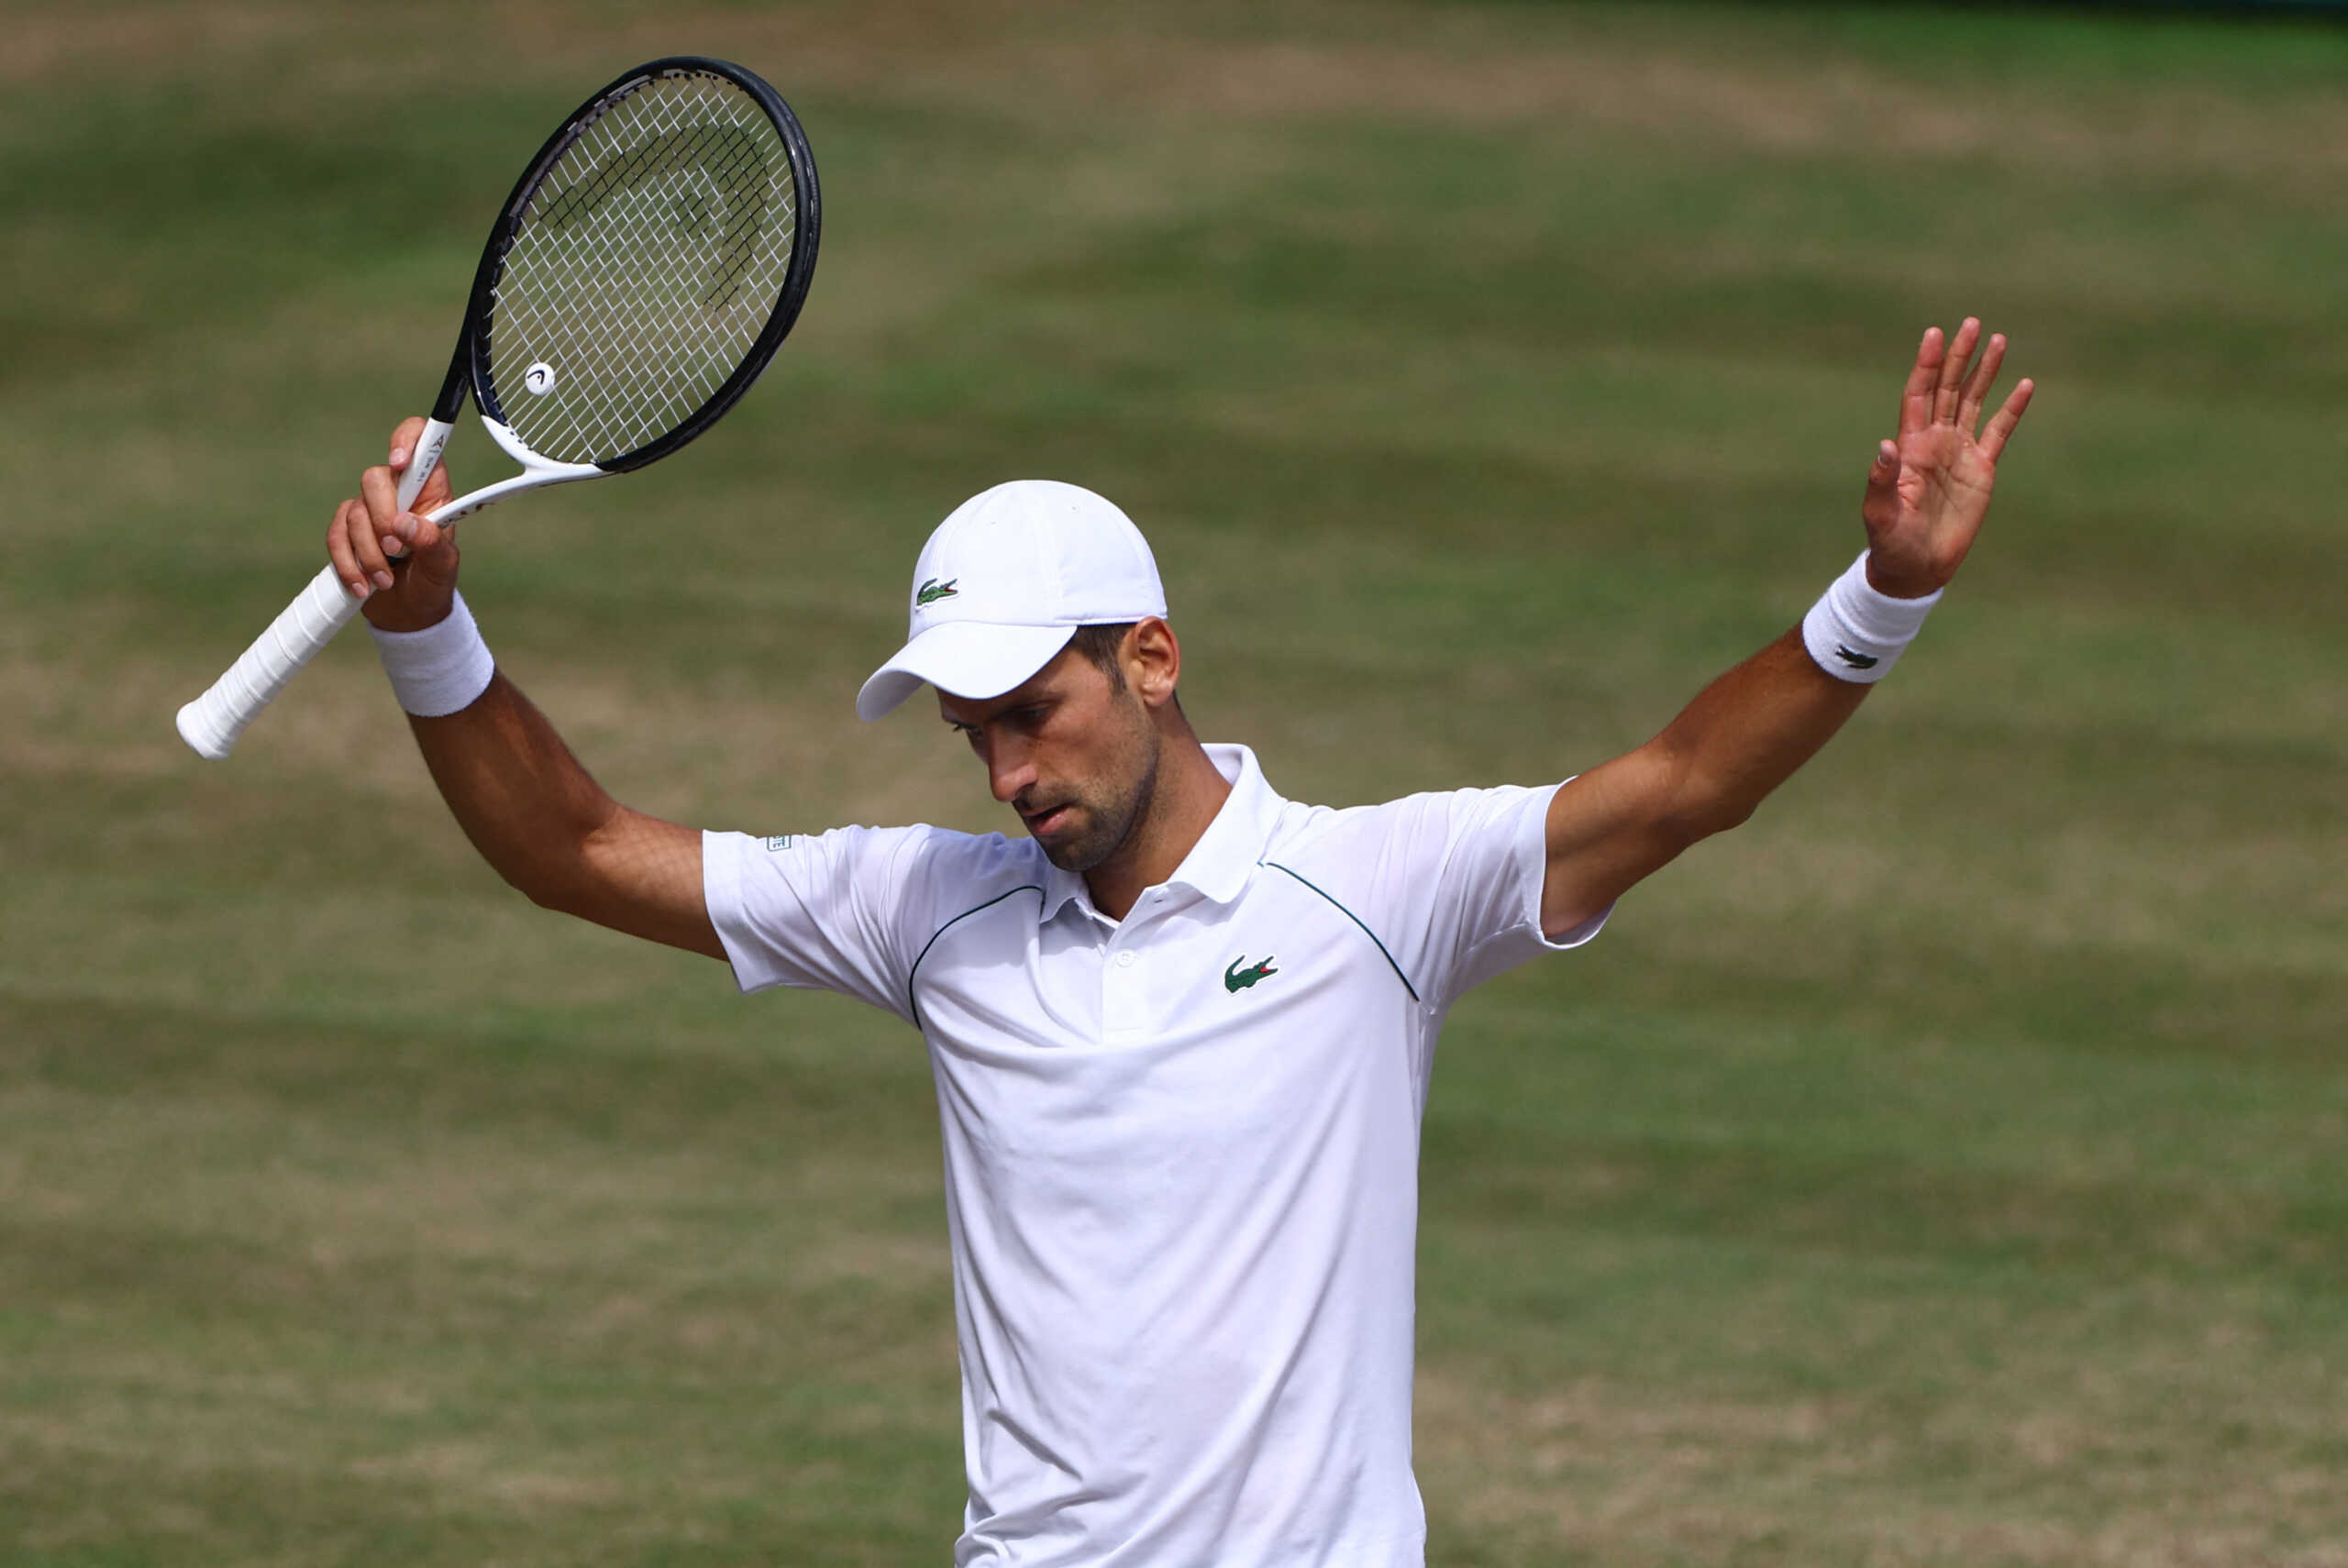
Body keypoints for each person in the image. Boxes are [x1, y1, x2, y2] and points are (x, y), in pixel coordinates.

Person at [325, 320, 2032, 1566]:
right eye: (969, 735)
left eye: (1032, 711)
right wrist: (428, 626)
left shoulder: (1381, 890)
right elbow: (577, 849)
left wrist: (1880, 595)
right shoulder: (930, 912)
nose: (1005, 771)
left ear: (1150, 656)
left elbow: (1677, 788)